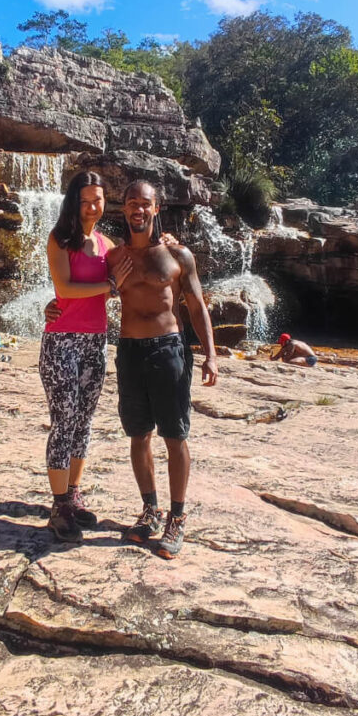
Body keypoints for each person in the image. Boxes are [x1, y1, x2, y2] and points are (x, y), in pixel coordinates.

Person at [106, 180, 218, 560]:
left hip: (169, 349)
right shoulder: (114, 256)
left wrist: (211, 354)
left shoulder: (178, 255)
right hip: (129, 350)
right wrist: (52, 309)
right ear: (123, 209)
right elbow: (82, 289)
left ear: (157, 208)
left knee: (174, 436)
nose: (138, 209)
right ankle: (149, 511)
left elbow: (197, 305)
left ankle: (177, 518)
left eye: (145, 203)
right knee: (138, 434)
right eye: (131, 202)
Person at [39, 171, 133, 542]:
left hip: (95, 341)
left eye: (98, 200)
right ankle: (59, 505)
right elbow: (64, 287)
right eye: (86, 200)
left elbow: (136, 261)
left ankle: (73, 495)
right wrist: (108, 287)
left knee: (84, 421)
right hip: (61, 340)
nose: (94, 207)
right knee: (64, 420)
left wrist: (166, 239)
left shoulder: (106, 243)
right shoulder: (60, 239)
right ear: (73, 202)